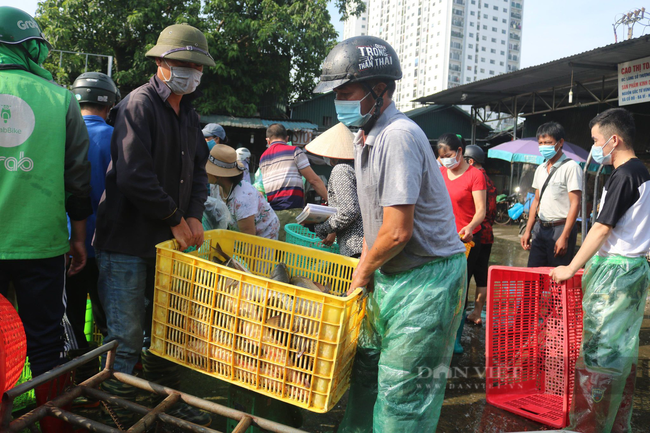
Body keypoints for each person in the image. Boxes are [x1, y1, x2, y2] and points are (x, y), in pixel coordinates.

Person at [314, 35, 467, 432]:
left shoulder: (397, 135)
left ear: (379, 90)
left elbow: (397, 232)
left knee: (402, 395)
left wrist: (362, 272)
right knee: (365, 373)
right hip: (391, 277)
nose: (339, 102)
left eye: (346, 92)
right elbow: (373, 222)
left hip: (424, 282)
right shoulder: (365, 136)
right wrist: (365, 275)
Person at [94, 23, 214, 426]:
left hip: (167, 245)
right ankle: (117, 415)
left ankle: (159, 408)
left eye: (196, 66)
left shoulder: (189, 114)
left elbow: (200, 170)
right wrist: (175, 217)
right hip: (128, 243)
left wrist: (193, 213)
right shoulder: (138, 104)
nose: (191, 72)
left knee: (163, 335)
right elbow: (133, 175)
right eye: (182, 63)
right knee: (125, 340)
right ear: (161, 62)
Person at [0, 7, 92, 432]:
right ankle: (54, 425)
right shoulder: (59, 97)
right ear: (28, 46)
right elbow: (78, 177)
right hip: (42, 243)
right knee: (46, 344)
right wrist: (78, 236)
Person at [550, 108, 650, 433]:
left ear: (614, 139)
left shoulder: (625, 175)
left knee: (599, 356)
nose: (594, 147)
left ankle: (588, 426)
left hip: (616, 275)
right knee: (619, 353)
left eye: (595, 140)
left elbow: (601, 229)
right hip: (632, 271)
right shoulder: (642, 174)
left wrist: (571, 267)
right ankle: (615, 424)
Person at [66, 72, 118, 354]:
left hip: (66, 244)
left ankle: (77, 377)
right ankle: (112, 378)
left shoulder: (61, 134)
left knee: (72, 316)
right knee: (109, 317)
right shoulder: (116, 138)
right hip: (105, 244)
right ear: (109, 106)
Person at [437, 134, 486, 354]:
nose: (445, 160)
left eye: (448, 155)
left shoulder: (475, 175)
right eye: (441, 157)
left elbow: (481, 211)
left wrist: (469, 227)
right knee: (440, 289)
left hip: (465, 241)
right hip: (440, 239)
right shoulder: (440, 173)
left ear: (459, 151)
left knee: (459, 289)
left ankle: (455, 338)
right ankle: (439, 332)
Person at [520, 121, 583, 267]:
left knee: (557, 277)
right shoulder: (540, 169)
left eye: (548, 142)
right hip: (540, 228)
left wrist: (565, 236)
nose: (543, 146)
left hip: (560, 228)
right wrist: (528, 230)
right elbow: (536, 201)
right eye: (540, 143)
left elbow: (575, 203)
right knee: (533, 276)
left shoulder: (571, 167)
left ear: (560, 142)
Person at [259, 123, 328, 241]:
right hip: (292, 212)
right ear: (287, 139)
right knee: (292, 253)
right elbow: (314, 180)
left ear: (268, 140)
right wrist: (330, 200)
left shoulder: (263, 158)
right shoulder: (294, 151)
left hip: (273, 214)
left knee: (277, 253)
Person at [305, 122, 363, 257]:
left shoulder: (341, 170)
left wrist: (323, 228)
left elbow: (349, 211)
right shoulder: (358, 168)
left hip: (355, 245)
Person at [206, 143, 280, 239]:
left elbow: (248, 237)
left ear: (218, 175)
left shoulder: (242, 198)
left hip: (263, 234)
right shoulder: (215, 187)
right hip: (238, 231)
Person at [464, 144, 497, 325]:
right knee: (482, 275)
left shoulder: (474, 179)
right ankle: (477, 313)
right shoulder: (490, 181)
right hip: (488, 235)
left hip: (473, 234)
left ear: (470, 161)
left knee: (466, 275)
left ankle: (461, 316)